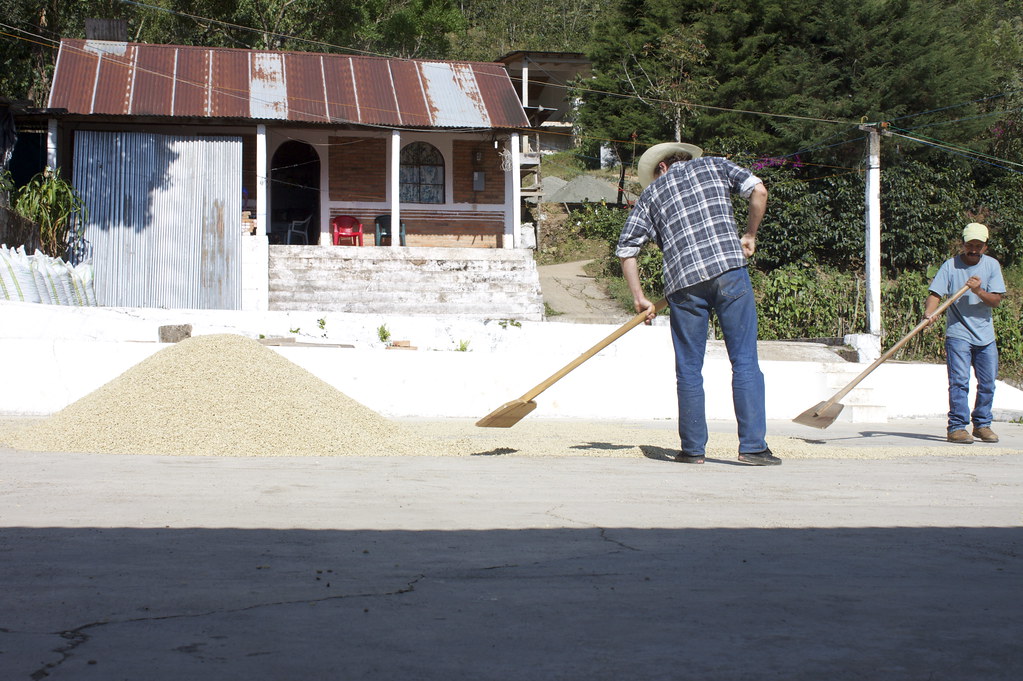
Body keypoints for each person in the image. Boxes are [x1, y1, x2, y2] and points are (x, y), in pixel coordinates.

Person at [616, 142, 778, 465]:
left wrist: (639, 298)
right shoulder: (716, 165)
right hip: (730, 271)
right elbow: (759, 191)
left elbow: (626, 249)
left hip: (684, 286)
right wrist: (750, 234)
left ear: (661, 167)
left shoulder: (652, 195)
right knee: (744, 360)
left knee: (689, 369)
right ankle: (753, 448)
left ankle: (692, 451)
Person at [922, 222, 1005, 444]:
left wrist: (978, 290)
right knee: (959, 381)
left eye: (978, 245)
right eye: (970, 245)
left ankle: (982, 425)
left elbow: (996, 300)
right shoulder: (950, 266)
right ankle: (957, 427)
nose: (974, 249)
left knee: (987, 383)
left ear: (985, 247)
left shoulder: (992, 266)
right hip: (958, 334)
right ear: (963, 244)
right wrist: (930, 313)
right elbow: (935, 294)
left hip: (985, 336)